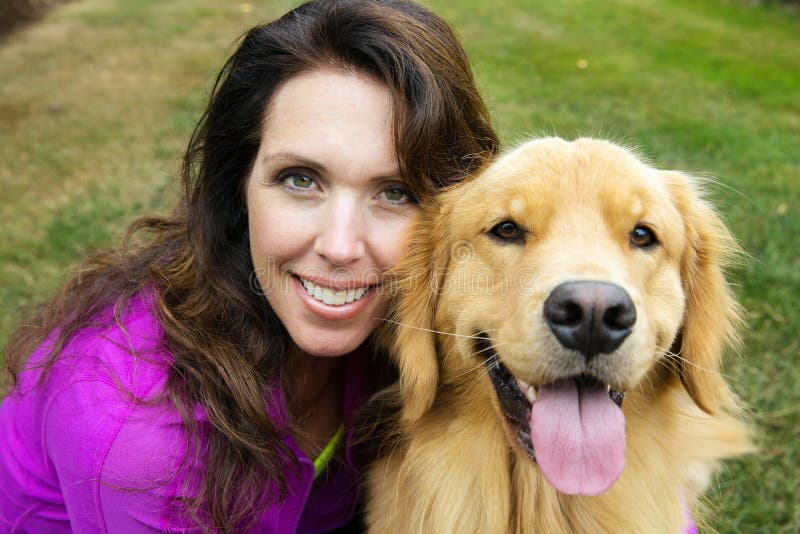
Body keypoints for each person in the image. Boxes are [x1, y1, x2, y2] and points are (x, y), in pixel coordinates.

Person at [0, 0, 498, 532]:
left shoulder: (411, 329)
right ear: (239, 187)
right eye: (301, 179)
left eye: (395, 192)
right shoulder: (142, 446)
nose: (339, 245)